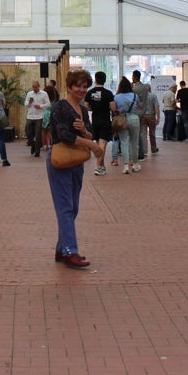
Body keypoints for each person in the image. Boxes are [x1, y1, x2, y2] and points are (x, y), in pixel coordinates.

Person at [47, 69, 106, 269]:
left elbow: (89, 134)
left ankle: (61, 248)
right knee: (65, 206)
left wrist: (84, 131)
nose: (81, 90)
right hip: (61, 159)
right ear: (69, 86)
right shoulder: (60, 108)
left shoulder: (82, 109)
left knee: (73, 207)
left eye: (84, 86)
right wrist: (91, 145)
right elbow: (63, 135)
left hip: (76, 160)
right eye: (77, 86)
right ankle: (71, 251)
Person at [113, 77, 142, 174]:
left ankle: (125, 166)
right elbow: (138, 106)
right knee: (134, 143)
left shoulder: (116, 97)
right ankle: (135, 165)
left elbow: (114, 108)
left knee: (124, 142)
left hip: (122, 120)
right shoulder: (134, 95)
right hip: (134, 118)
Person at [85, 71, 114, 165]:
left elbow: (86, 106)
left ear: (95, 80)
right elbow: (113, 108)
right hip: (105, 120)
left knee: (98, 143)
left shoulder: (89, 93)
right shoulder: (108, 93)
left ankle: (101, 165)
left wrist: (93, 108)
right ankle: (99, 166)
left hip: (95, 120)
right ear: (105, 80)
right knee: (102, 144)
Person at [131, 71, 156, 158]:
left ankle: (141, 151)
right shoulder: (145, 88)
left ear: (134, 77)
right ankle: (144, 151)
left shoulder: (134, 89)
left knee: (139, 133)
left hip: (136, 112)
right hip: (143, 111)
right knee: (144, 132)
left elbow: (132, 99)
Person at [24, 80, 50, 157]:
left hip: (39, 116)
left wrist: (40, 106)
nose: (34, 88)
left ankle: (37, 151)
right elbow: (25, 104)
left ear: (39, 86)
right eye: (33, 87)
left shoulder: (44, 94)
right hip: (30, 115)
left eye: (35, 87)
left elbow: (48, 104)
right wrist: (29, 102)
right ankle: (33, 145)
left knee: (38, 134)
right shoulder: (29, 94)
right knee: (28, 132)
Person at [41, 83, 59, 155]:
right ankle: (49, 144)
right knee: (49, 131)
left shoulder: (43, 97)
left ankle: (44, 145)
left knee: (43, 130)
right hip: (51, 114)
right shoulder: (54, 99)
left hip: (44, 114)